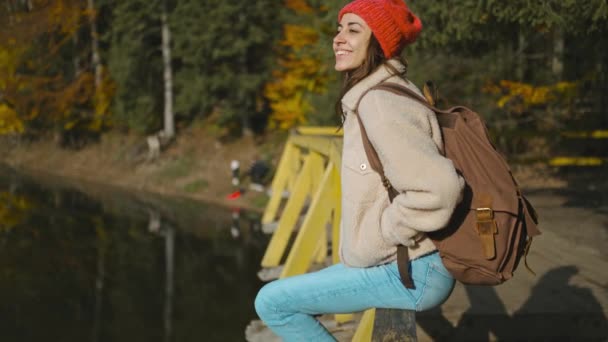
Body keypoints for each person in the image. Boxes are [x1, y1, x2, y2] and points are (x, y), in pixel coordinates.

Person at [254, 0, 464, 340]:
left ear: (379, 43)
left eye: (354, 30)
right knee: (282, 297)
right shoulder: (380, 94)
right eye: (339, 29)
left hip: (414, 270)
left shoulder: (380, 103)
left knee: (273, 303)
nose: (338, 38)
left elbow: (441, 188)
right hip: (406, 263)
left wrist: (384, 233)